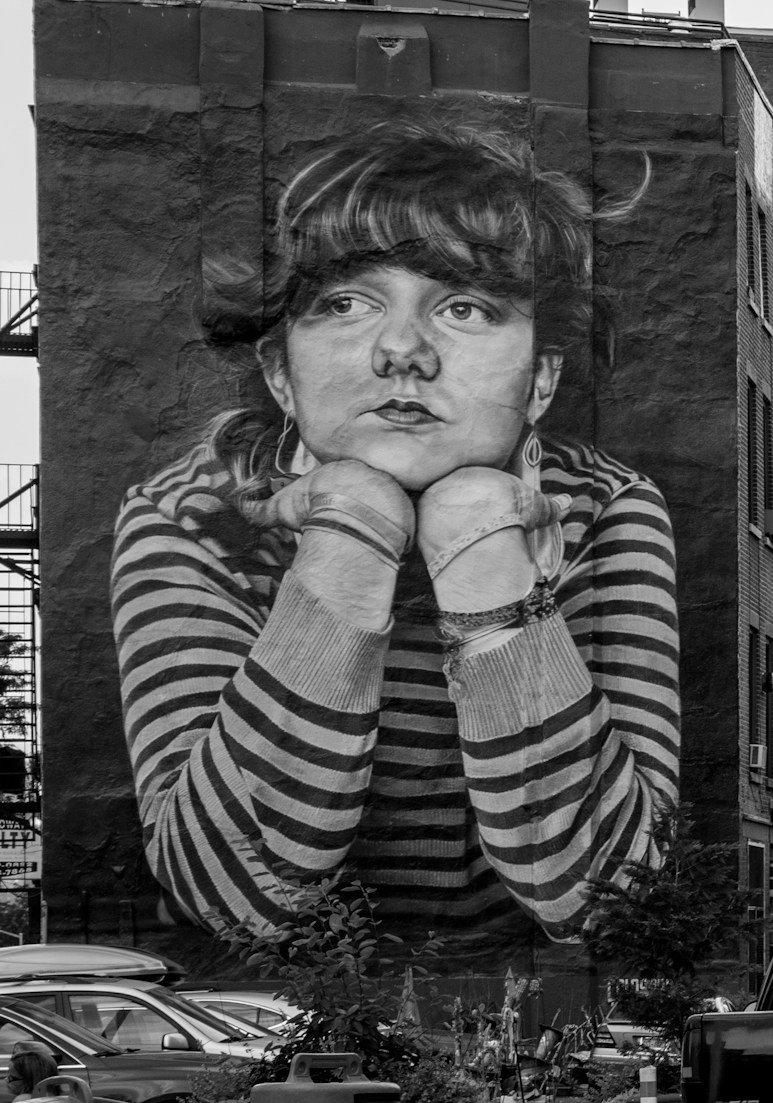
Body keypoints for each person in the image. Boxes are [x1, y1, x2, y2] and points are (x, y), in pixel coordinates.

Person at [111, 120, 678, 939]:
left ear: (541, 380)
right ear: (280, 372)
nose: (402, 351)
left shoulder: (607, 508)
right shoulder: (190, 518)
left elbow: (611, 897)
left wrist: (480, 549)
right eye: (346, 303)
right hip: (270, 999)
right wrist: (351, 532)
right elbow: (229, 897)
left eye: (465, 307)